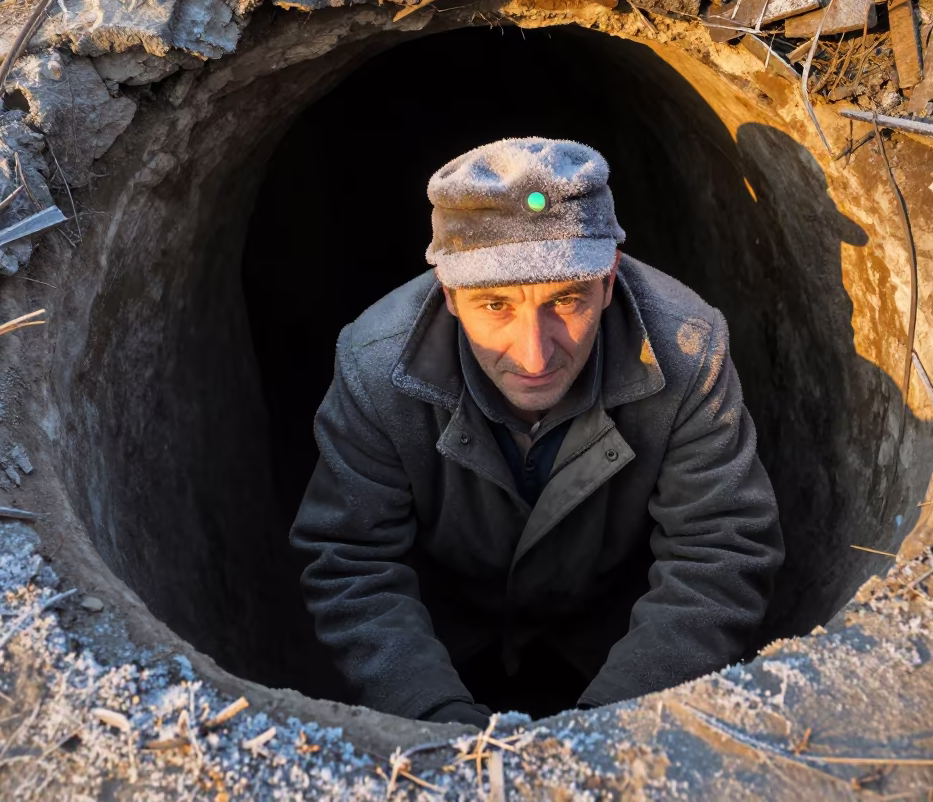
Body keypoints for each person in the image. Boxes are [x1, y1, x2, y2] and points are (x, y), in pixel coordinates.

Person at [291, 138, 783, 728]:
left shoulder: (684, 351)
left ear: (608, 281)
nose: (533, 354)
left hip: (611, 631)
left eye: (566, 300)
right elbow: (351, 559)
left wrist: (610, 727)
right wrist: (433, 714)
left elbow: (719, 549)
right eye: (495, 306)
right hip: (449, 637)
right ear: (448, 294)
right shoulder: (377, 367)